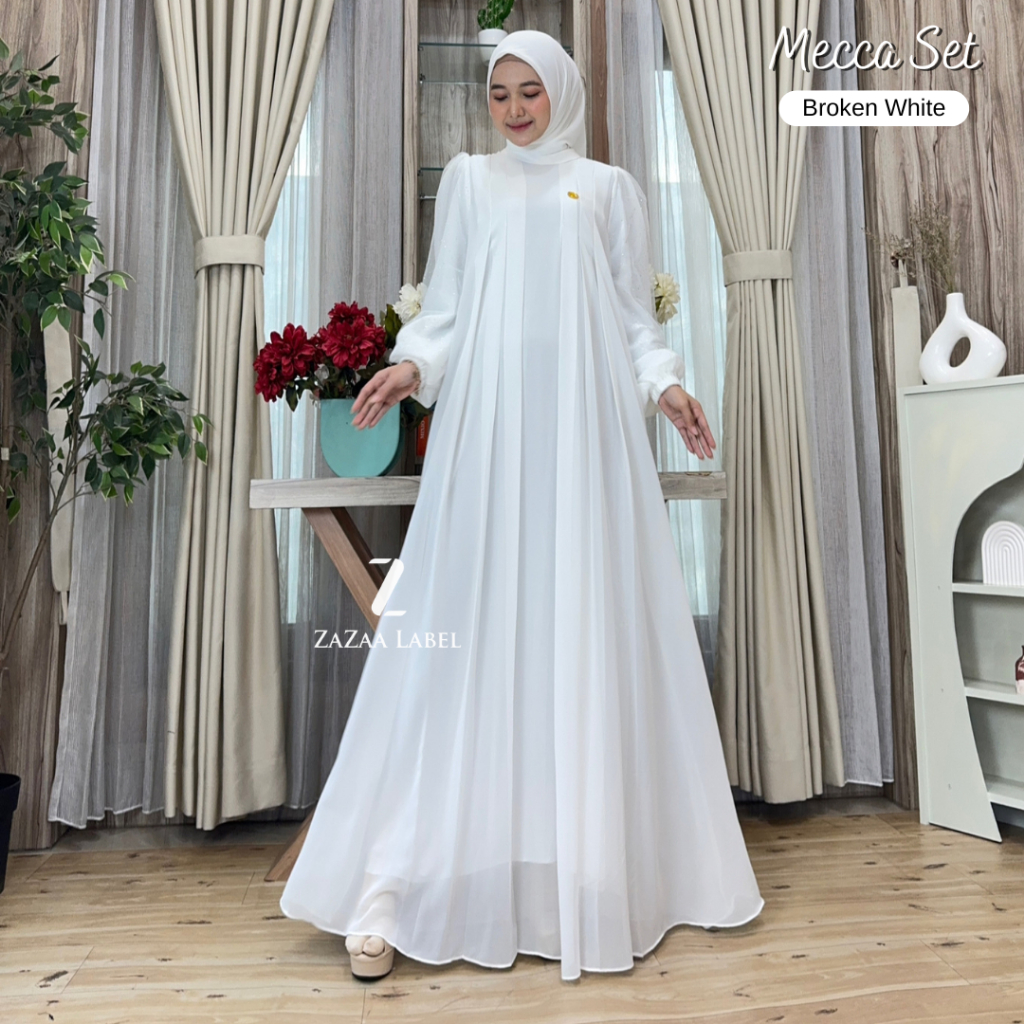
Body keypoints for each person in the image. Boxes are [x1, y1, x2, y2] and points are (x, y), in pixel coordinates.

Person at [279, 29, 763, 984]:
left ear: (562, 93)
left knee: (580, 632)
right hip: (488, 441)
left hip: (587, 443)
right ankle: (392, 881)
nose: (513, 108)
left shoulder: (610, 190)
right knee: (459, 641)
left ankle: (587, 872)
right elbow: (446, 307)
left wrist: (666, 385)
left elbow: (633, 319)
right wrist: (410, 366)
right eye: (499, 92)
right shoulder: (469, 181)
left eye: (529, 91)